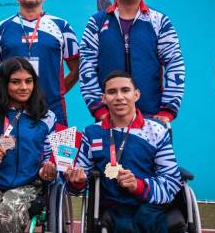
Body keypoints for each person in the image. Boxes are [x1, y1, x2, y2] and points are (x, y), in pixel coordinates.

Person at [65, 70, 182, 232]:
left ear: (136, 95)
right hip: (113, 206)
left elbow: (172, 181)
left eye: (125, 90)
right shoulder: (91, 133)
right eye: (112, 92)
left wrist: (138, 185)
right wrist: (77, 181)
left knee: (146, 219)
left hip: (150, 205)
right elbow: (78, 184)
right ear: (104, 98)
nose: (119, 97)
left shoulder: (156, 131)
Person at [79, 0, 185, 124]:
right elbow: (86, 67)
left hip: (152, 118)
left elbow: (175, 65)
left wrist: (168, 110)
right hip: (109, 119)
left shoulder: (159, 21)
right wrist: (99, 109)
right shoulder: (96, 22)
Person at [0, 57, 57, 233]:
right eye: (16, 82)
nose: (23, 87)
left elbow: (49, 156)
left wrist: (47, 169)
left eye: (28, 81)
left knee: (8, 211)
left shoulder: (46, 117)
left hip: (28, 184)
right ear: (3, 84)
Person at [0, 0, 80, 126]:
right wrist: (11, 94)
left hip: (54, 108)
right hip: (13, 110)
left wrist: (56, 92)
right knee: (12, 150)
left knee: (62, 151)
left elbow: (77, 68)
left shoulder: (62, 26)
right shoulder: (1, 28)